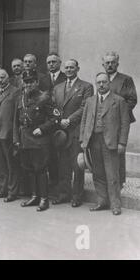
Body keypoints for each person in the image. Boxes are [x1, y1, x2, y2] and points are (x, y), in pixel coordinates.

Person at [80, 72, 130, 215]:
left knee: (112, 174)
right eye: (99, 83)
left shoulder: (119, 101)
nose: (101, 85)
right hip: (93, 141)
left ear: (109, 83)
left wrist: (122, 143)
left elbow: (125, 124)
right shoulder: (90, 101)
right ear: (96, 84)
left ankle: (115, 205)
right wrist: (83, 140)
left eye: (104, 82)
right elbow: (84, 121)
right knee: (98, 173)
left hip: (111, 142)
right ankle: (102, 201)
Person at [13, 70, 59, 212]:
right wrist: (16, 139)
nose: (28, 84)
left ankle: (44, 198)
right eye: (26, 82)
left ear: (37, 82)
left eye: (31, 81)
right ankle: (34, 196)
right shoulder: (20, 98)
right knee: (30, 169)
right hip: (25, 138)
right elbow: (15, 120)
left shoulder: (45, 97)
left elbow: (55, 118)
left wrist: (42, 129)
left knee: (40, 169)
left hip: (39, 139)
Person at [52, 59, 93, 207]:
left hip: (76, 131)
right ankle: (64, 194)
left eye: (72, 67)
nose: (69, 70)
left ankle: (77, 196)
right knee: (63, 166)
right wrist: (58, 119)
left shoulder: (86, 87)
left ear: (77, 68)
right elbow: (53, 106)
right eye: (67, 67)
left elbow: (85, 107)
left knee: (77, 166)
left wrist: (68, 120)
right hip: (61, 133)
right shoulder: (58, 87)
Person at [102, 51, 137, 187]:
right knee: (104, 149)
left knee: (118, 150)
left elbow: (132, 99)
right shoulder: (102, 79)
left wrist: (119, 115)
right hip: (104, 121)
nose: (110, 65)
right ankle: (106, 179)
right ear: (103, 64)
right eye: (107, 63)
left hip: (120, 122)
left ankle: (119, 180)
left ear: (117, 64)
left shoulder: (125, 79)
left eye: (112, 62)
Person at [0, 69, 21, 202]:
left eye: (2, 77)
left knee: (11, 164)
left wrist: (15, 135)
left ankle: (12, 191)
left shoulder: (15, 92)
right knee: (1, 164)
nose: (0, 80)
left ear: (8, 78)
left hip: (8, 132)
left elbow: (16, 115)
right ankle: (2, 189)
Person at [46, 53, 67, 187]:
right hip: (47, 121)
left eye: (54, 62)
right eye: (49, 62)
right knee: (49, 153)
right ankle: (52, 180)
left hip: (63, 121)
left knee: (62, 154)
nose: (51, 64)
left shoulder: (66, 77)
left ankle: (63, 182)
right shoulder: (42, 78)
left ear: (60, 63)